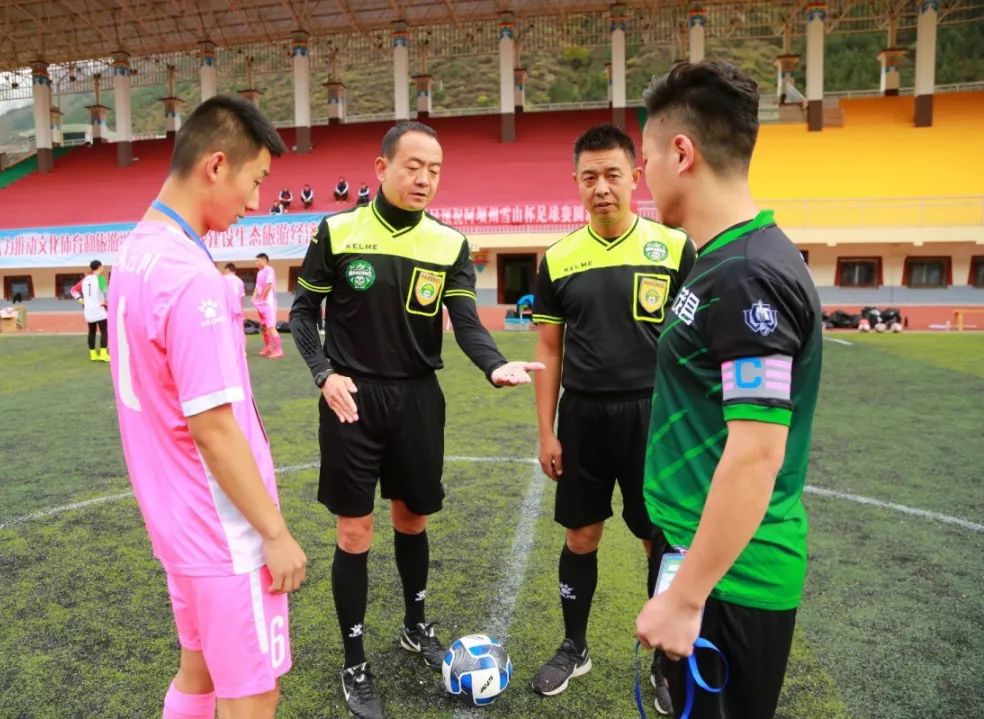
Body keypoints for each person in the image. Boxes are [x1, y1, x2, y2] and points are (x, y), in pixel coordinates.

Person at [288, 120, 543, 719]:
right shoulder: (338, 231)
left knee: (412, 519)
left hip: (418, 401)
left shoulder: (449, 245)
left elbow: (468, 322)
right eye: (413, 165)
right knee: (355, 534)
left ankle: (414, 625)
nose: (424, 178)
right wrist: (324, 374)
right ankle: (354, 660)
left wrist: (495, 365)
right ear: (381, 168)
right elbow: (302, 314)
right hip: (352, 399)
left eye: (435, 169)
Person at [106, 95, 307, 719]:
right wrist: (274, 533)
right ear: (216, 165)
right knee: (252, 692)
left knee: (198, 672)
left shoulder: (135, 253)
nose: (255, 201)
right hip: (223, 533)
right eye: (256, 181)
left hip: (176, 527)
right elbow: (213, 426)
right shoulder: (191, 277)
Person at [635, 61, 823, 719]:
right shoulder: (721, 260)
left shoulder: (747, 277)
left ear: (681, 153)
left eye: (647, 157)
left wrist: (687, 597)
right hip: (700, 555)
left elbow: (756, 453)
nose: (643, 175)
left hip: (729, 580)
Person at [528, 125, 695, 713]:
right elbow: (549, 350)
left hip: (654, 415)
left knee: (658, 537)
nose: (602, 187)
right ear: (576, 182)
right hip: (583, 414)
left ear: (635, 176)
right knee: (582, 534)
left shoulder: (675, 248)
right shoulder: (557, 258)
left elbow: (692, 344)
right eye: (590, 177)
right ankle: (574, 646)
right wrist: (547, 430)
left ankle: (665, 661)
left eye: (613, 174)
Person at [70, 259, 110, 362]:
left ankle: (93, 355)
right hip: (99, 309)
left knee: (91, 331)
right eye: (102, 267)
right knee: (104, 331)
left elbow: (73, 290)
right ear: (99, 267)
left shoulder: (85, 280)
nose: (103, 269)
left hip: (88, 310)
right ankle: (103, 354)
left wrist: (80, 300)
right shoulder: (100, 279)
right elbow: (106, 293)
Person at [253, 252, 283, 358]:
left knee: (271, 326)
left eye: (258, 260)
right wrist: (253, 297)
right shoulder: (259, 273)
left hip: (268, 303)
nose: (256, 263)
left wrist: (263, 297)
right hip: (261, 303)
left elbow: (269, 285)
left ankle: (279, 350)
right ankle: (268, 347)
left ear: (263, 260)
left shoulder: (269, 270)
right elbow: (257, 287)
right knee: (264, 326)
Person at [222, 262, 247, 350]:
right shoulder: (240, 281)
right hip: (238, 309)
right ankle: (242, 350)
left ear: (227, 269)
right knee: (240, 330)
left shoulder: (223, 279)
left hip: (226, 309)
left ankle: (228, 349)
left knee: (227, 329)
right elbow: (241, 298)